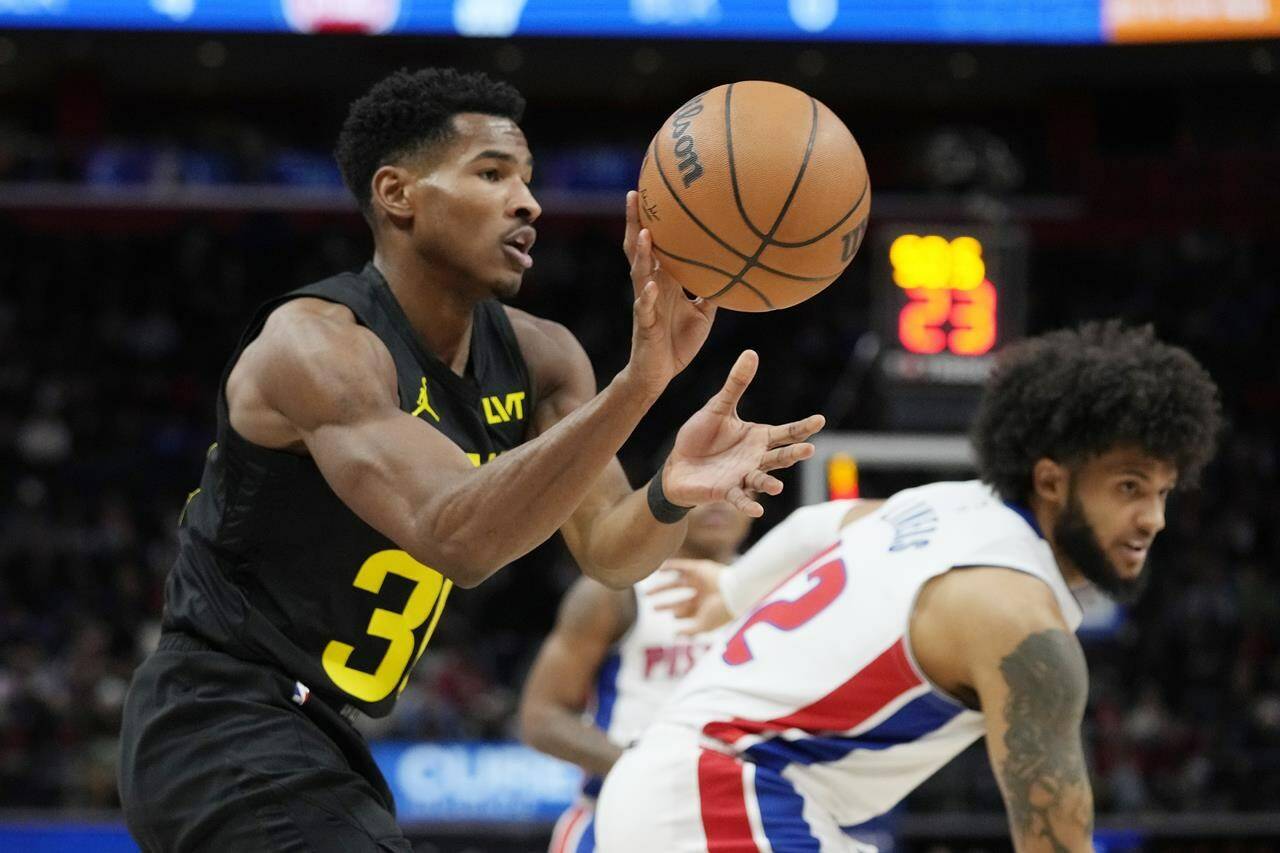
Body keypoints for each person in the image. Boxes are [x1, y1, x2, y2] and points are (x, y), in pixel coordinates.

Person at [117, 67, 824, 852]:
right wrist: (638, 385)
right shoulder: (317, 346)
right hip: (217, 718)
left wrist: (667, 493)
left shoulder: (543, 356)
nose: (528, 203)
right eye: (492, 174)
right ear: (397, 195)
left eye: (528, 179)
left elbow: (613, 552)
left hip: (320, 731)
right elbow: (456, 539)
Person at [594, 322, 1222, 853]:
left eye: (1164, 492)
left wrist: (733, 592)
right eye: (1130, 488)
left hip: (682, 785)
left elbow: (818, 524)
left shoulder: (942, 505)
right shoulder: (1023, 621)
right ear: (1053, 481)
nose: (1154, 519)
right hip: (721, 798)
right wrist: (730, 593)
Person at [519, 500, 754, 853]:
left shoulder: (775, 592)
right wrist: (644, 770)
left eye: (737, 490)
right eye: (708, 491)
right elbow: (541, 718)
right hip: (619, 822)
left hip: (733, 823)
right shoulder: (617, 589)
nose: (719, 503)